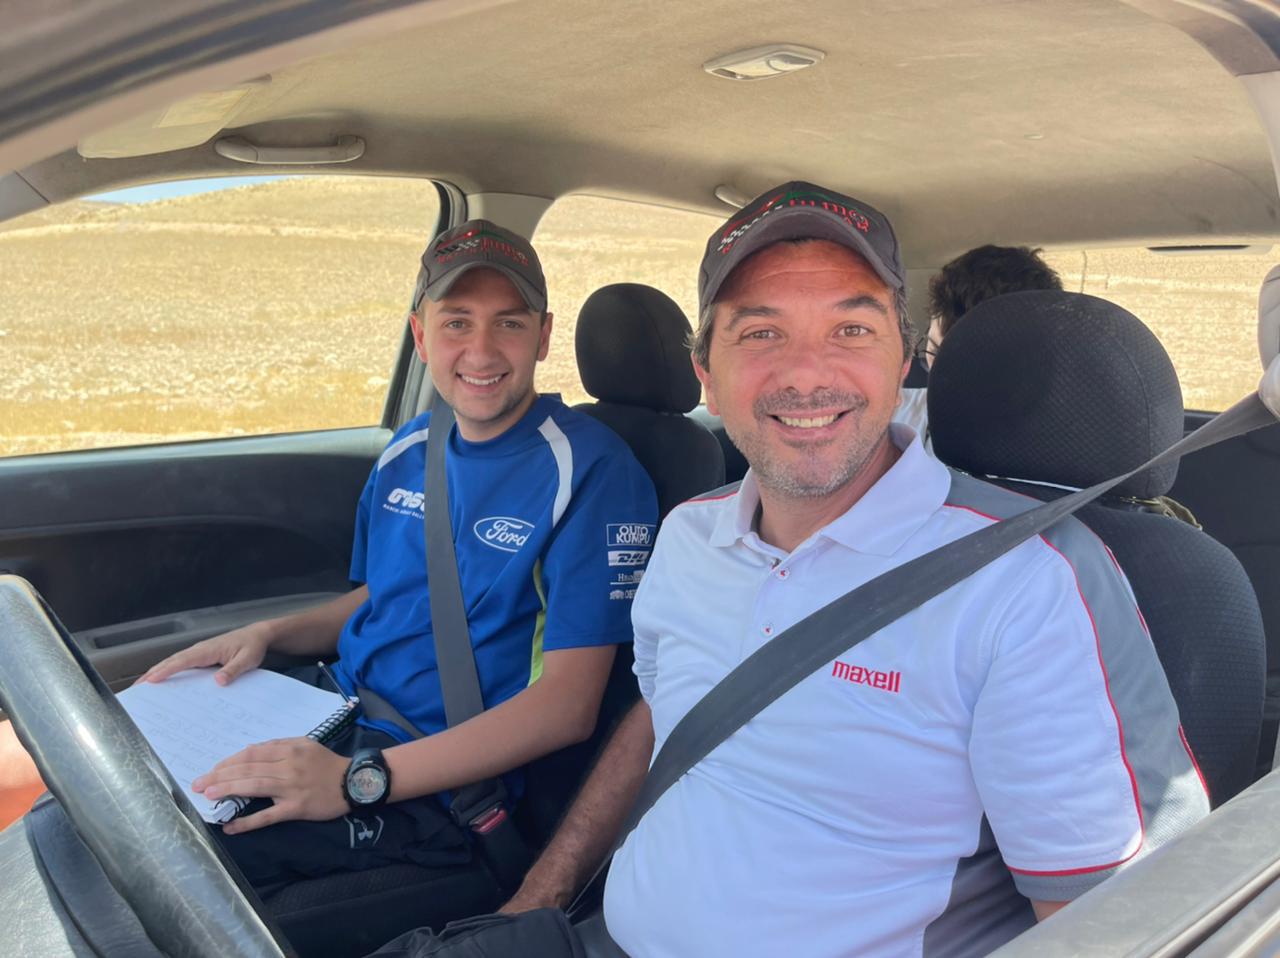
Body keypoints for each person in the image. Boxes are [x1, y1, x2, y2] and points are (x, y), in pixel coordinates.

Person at [498, 183, 1208, 957]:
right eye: (761, 332)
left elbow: (1107, 926)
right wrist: (537, 900)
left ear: (903, 360)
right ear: (706, 371)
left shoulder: (1025, 582)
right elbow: (662, 716)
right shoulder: (687, 535)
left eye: (851, 329)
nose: (807, 374)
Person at [0, 220, 659, 898]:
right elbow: (385, 594)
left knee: (141, 858)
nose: (482, 349)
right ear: (421, 335)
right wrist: (268, 635)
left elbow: (566, 707)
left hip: (429, 779)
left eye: (509, 324)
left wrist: (355, 780)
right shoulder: (412, 448)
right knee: (83, 778)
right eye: (457, 322)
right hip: (325, 707)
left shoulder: (592, 473)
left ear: (543, 336)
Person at [895, 244, 1063, 438]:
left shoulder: (1065, 442)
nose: (940, 379)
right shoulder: (891, 416)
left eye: (966, 366)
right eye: (934, 351)